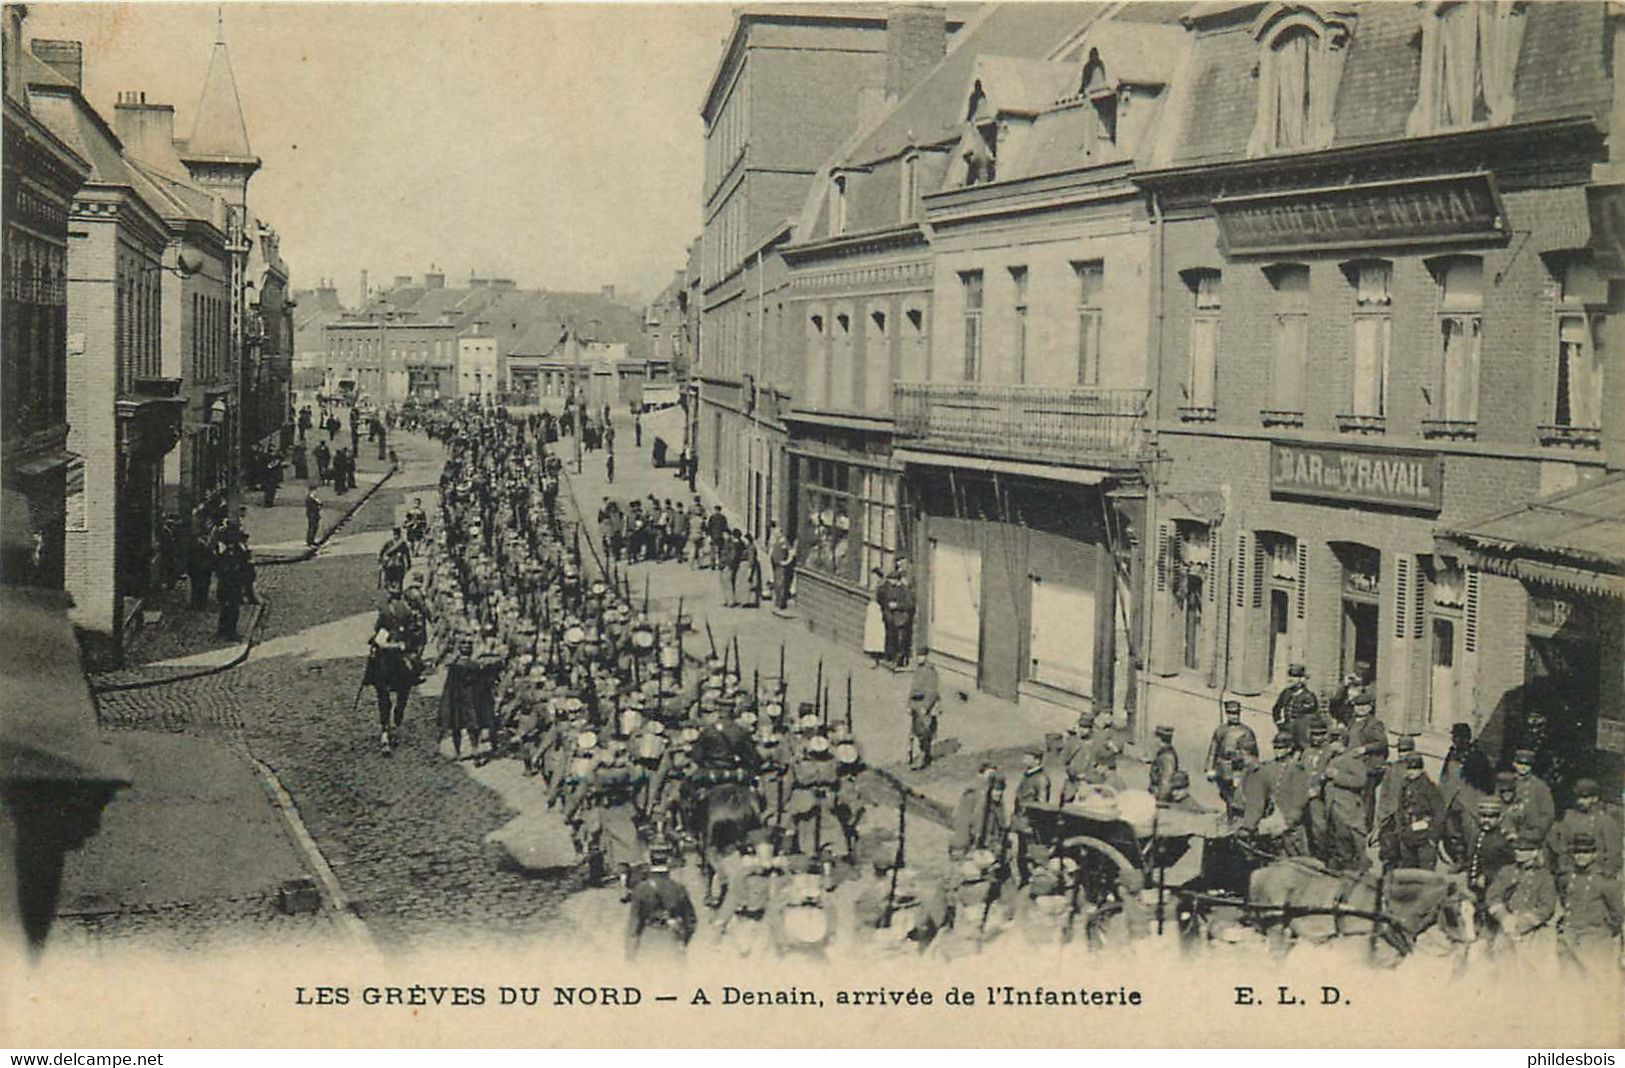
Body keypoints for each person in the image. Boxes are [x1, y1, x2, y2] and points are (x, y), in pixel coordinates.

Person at [368, 588, 424, 753]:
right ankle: (395, 716)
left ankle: (386, 728)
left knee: (375, 661)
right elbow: (413, 633)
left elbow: (378, 628)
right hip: (398, 647)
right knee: (412, 665)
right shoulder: (406, 610)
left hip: (392, 647)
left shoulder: (386, 609)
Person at [1204, 700, 1258, 810]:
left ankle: (1234, 815)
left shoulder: (1246, 731)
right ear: (1227, 714)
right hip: (1222, 768)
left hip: (1238, 769)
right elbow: (1213, 750)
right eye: (1231, 713)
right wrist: (1210, 768)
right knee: (1225, 794)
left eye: (1236, 713)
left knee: (1237, 796)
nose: (1234, 716)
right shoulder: (1220, 730)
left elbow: (1253, 754)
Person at [1271, 663, 1320, 751]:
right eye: (1290, 676)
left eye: (1294, 677)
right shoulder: (1286, 693)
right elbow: (1276, 709)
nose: (1290, 679)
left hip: (1301, 734)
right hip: (1287, 730)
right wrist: (1279, 723)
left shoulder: (1309, 696)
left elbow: (1312, 718)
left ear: (1301, 679)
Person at [908, 661, 941, 770]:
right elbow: (913, 689)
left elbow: (932, 692)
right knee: (916, 730)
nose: (919, 658)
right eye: (918, 655)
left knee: (925, 731)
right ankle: (920, 754)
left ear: (926, 656)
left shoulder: (930, 672)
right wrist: (909, 705)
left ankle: (924, 756)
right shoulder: (918, 670)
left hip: (926, 706)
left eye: (922, 655)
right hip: (916, 705)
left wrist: (926, 707)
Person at [1147, 725, 1179, 802]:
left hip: (1160, 799)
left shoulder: (1167, 757)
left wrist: (1160, 801)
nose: (1153, 740)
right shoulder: (1163, 754)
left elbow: (1166, 782)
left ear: (1159, 739)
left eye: (1155, 737)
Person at [863, 571, 887, 666]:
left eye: (875, 577)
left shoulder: (882, 588)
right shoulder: (873, 588)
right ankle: (872, 655)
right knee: (871, 632)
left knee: (878, 633)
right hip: (872, 611)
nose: (874, 580)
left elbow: (882, 600)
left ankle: (876, 656)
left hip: (878, 611)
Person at [378, 526, 411, 592]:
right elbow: (382, 552)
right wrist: (381, 561)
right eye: (395, 534)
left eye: (397, 534)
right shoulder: (389, 543)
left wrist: (409, 563)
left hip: (399, 564)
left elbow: (407, 554)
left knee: (399, 578)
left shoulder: (402, 544)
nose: (396, 536)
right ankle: (391, 589)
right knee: (391, 578)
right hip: (391, 564)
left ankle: (397, 591)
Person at [706, 505, 728, 571]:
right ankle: (721, 565)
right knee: (720, 551)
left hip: (713, 536)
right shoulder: (723, 517)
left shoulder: (712, 517)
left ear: (715, 510)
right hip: (720, 537)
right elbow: (725, 527)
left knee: (712, 551)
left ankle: (712, 565)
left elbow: (709, 527)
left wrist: (708, 536)